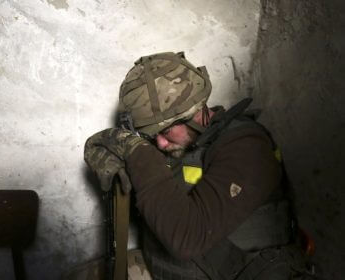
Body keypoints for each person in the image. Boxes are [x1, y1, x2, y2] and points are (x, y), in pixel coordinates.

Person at [84, 52, 312, 280]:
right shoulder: (181, 141)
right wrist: (106, 141)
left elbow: (187, 238)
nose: (160, 143)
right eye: (150, 136)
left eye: (164, 132)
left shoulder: (247, 147)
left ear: (196, 112)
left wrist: (137, 153)